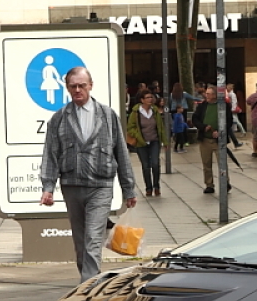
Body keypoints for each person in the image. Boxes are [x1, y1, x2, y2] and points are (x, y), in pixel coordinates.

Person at [39, 66, 138, 282]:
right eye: (73, 86)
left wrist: (128, 188)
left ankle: (88, 287)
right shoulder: (59, 118)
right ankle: (88, 280)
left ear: (90, 86)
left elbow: (121, 151)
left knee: (94, 237)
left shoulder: (107, 114)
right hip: (71, 186)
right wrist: (48, 187)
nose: (77, 90)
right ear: (67, 88)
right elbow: (50, 154)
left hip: (100, 186)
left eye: (82, 85)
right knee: (81, 241)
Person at [126, 89, 168, 197]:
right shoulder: (135, 113)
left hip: (154, 141)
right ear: (142, 100)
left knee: (155, 163)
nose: (150, 99)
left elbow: (160, 127)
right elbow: (130, 128)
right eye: (148, 97)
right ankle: (148, 187)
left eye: (151, 97)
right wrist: (137, 135)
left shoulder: (155, 111)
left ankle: (156, 186)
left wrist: (165, 141)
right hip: (142, 143)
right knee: (145, 166)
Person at [192, 86, 230, 194]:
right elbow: (195, 119)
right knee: (206, 163)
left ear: (215, 95)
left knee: (222, 163)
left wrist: (220, 131)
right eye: (206, 93)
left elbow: (229, 121)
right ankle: (209, 184)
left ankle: (225, 182)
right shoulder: (203, 106)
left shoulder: (223, 105)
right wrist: (203, 127)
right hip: (205, 139)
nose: (206, 96)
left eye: (208, 94)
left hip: (219, 140)